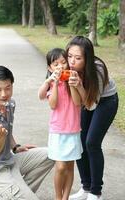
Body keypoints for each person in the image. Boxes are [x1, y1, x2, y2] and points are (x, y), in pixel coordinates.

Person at [0, 65, 54, 200]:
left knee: (52, 154)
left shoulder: (10, 104)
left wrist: (15, 147)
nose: (4, 94)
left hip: (8, 160)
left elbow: (7, 131)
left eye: (8, 88)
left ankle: (7, 194)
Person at [65, 36, 118, 200]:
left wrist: (79, 85)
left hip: (105, 101)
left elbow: (92, 105)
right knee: (79, 141)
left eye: (78, 58)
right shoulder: (68, 66)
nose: (72, 61)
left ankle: (96, 192)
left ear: (87, 58)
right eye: (70, 56)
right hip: (87, 100)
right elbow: (79, 102)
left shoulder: (98, 69)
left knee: (92, 142)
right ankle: (86, 187)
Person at [38, 48, 83, 200]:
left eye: (64, 63)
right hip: (57, 131)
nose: (61, 67)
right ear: (50, 68)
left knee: (70, 167)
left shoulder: (75, 79)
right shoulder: (51, 84)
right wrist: (55, 83)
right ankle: (58, 198)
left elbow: (78, 102)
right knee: (61, 166)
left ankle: (65, 198)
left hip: (73, 130)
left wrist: (71, 83)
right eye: (56, 64)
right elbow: (53, 104)